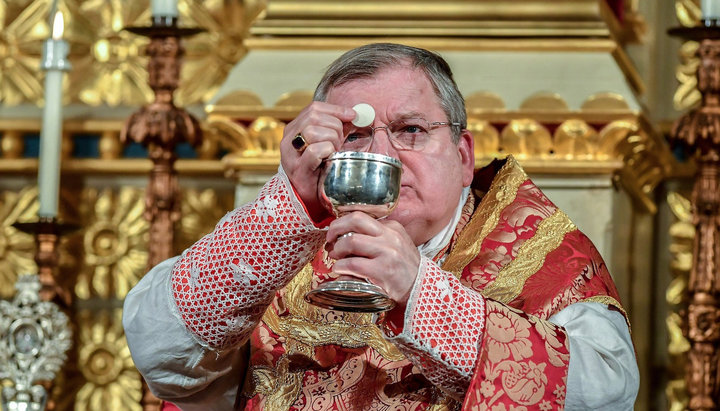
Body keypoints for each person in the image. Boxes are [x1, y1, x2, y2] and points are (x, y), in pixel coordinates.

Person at [123, 43, 639, 410]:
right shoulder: (285, 243)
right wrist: (291, 206)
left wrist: (420, 294)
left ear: (463, 157)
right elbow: (161, 355)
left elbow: (608, 392)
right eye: (354, 136)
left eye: (410, 130)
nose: (381, 157)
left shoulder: (535, 249)